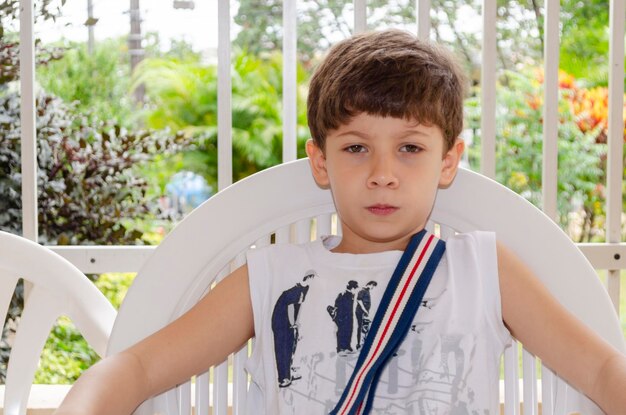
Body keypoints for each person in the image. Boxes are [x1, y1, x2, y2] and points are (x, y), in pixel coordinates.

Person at [53, 29, 626, 415]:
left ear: (449, 159)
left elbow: (601, 370)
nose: (383, 174)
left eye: (410, 149)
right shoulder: (272, 276)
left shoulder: (482, 268)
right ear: (320, 161)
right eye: (356, 148)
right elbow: (135, 367)